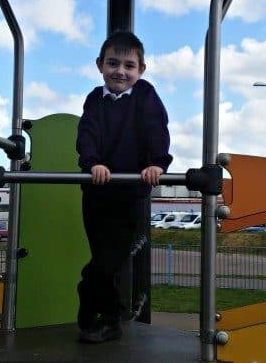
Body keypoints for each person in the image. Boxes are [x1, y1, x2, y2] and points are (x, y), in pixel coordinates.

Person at [75, 31, 173, 344]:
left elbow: (157, 127)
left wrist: (157, 162)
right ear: (100, 65)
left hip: (129, 194)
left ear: (141, 70)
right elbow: (87, 132)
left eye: (129, 65)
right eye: (113, 63)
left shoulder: (145, 95)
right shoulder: (95, 98)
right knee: (101, 257)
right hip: (98, 192)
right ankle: (102, 310)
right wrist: (92, 163)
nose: (121, 71)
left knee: (108, 261)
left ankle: (108, 316)